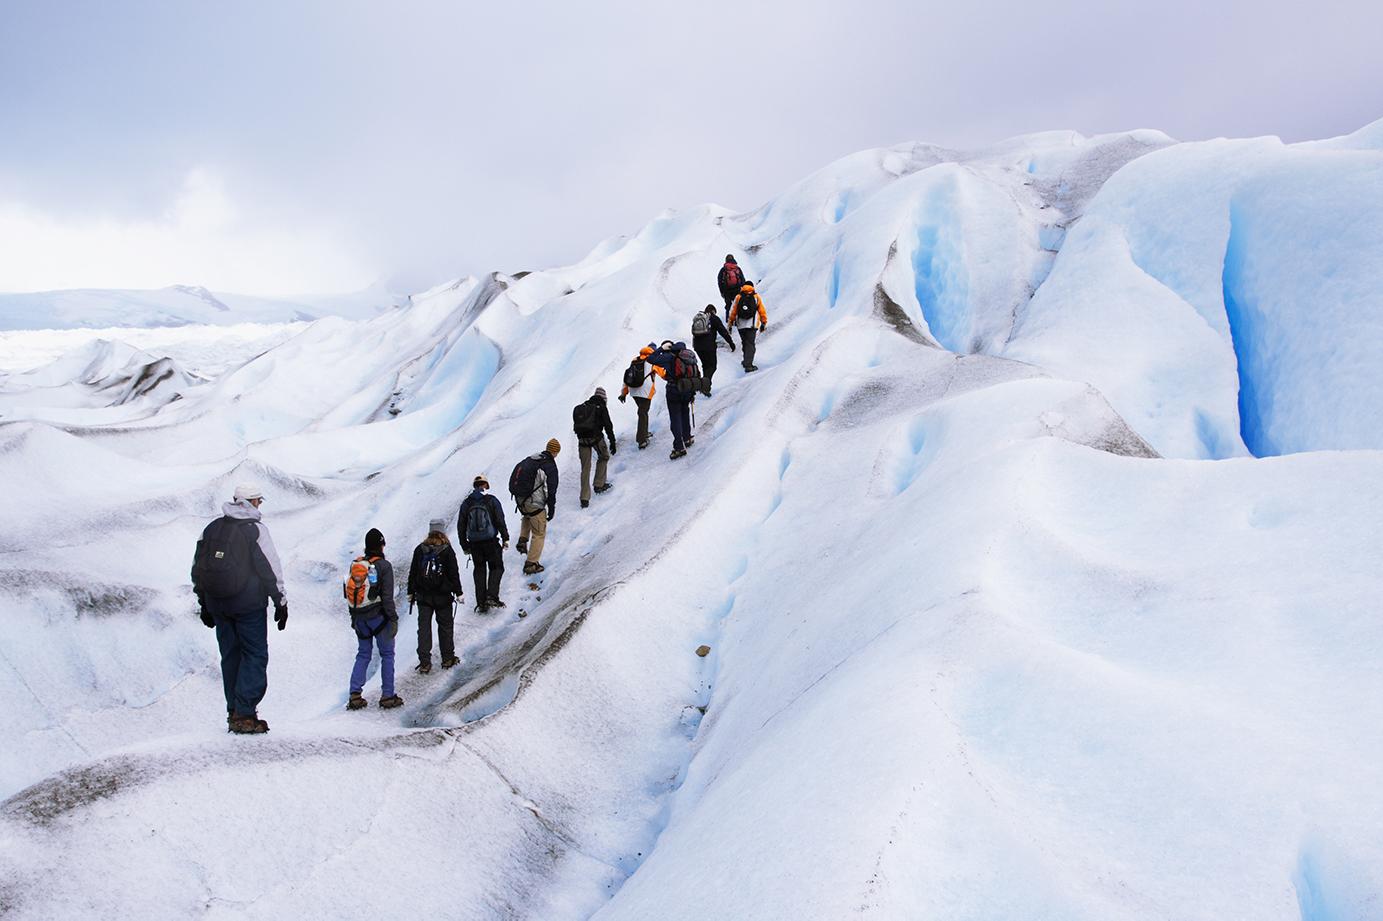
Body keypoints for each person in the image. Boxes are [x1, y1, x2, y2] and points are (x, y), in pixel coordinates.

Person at [191, 483, 288, 734]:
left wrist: (204, 604)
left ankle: (233, 710)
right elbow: (270, 567)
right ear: (253, 502)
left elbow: (198, 569)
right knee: (255, 655)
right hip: (248, 606)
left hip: (218, 605)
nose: (260, 505)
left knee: (230, 656)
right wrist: (281, 601)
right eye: (259, 501)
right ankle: (244, 714)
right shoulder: (255, 530)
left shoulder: (211, 529)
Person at [346, 528, 403, 711]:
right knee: (387, 654)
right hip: (379, 618)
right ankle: (388, 695)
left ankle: (355, 694)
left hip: (360, 618)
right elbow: (387, 597)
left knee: (363, 654)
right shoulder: (384, 566)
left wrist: (354, 618)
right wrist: (393, 619)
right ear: (381, 545)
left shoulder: (357, 564)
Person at [407, 518, 464, 674]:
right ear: (442, 531)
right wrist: (458, 592)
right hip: (443, 596)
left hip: (423, 597)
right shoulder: (447, 550)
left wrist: (410, 592)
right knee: (445, 626)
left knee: (424, 629)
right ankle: (447, 658)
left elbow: (413, 572)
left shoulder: (420, 549)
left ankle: (425, 662)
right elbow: (454, 573)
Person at [458, 474, 510, 612]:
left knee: (479, 571)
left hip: (474, 544)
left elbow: (461, 526)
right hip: (491, 542)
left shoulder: (466, 503)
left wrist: (464, 545)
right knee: (497, 567)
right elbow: (500, 520)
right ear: (486, 485)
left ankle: (481, 603)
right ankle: (492, 596)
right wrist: (505, 537)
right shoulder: (491, 500)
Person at [510, 439, 560, 575]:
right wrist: (552, 508)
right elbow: (552, 489)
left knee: (527, 515)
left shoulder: (533, 459)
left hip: (520, 499)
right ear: (556, 452)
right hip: (534, 502)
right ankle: (531, 564)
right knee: (539, 533)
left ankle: (522, 540)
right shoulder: (549, 466)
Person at [647, 342, 697, 459]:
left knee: (675, 418)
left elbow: (651, 359)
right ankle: (687, 438)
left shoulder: (669, 357)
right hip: (687, 390)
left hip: (674, 391)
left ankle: (679, 447)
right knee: (685, 414)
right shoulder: (690, 356)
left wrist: (660, 349)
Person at [573, 387, 617, 507]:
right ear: (603, 398)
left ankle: (584, 498)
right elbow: (608, 426)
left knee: (585, 468)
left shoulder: (582, 407)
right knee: (604, 456)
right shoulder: (601, 407)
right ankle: (599, 484)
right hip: (596, 438)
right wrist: (612, 442)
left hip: (582, 440)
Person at [691, 304, 735, 396]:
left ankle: (704, 386)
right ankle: (705, 387)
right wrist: (731, 343)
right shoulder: (714, 318)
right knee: (712, 366)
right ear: (713, 311)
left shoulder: (698, 318)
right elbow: (723, 331)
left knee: (706, 365)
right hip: (709, 346)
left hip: (697, 347)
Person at [618, 345, 657, 449]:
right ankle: (641, 440)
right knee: (643, 413)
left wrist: (624, 393)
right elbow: (663, 373)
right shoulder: (652, 361)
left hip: (634, 391)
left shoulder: (635, 361)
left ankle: (644, 433)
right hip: (645, 391)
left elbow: (627, 378)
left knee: (643, 411)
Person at [728, 282, 768, 372]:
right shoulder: (756, 297)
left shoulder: (738, 297)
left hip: (741, 325)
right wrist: (764, 322)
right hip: (752, 325)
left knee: (745, 343)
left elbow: (733, 311)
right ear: (752, 287)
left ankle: (746, 361)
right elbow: (762, 311)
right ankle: (748, 365)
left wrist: (730, 323)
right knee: (750, 344)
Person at [717, 254, 746, 322]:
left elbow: (719, 281)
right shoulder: (737, 268)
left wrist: (722, 292)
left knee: (728, 306)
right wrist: (742, 289)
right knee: (738, 304)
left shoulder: (723, 270)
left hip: (727, 291)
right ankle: (738, 320)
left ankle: (728, 320)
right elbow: (743, 279)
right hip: (738, 289)